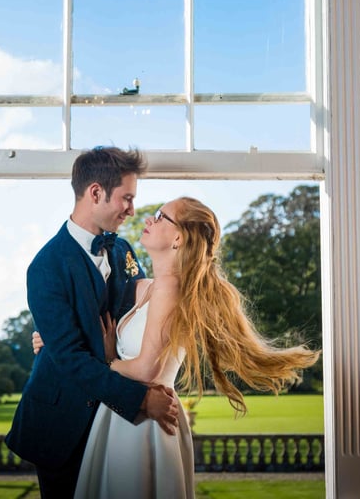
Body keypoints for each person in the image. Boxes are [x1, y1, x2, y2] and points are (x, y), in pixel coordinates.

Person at [36, 196, 321, 498]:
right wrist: (54, 337)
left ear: (178, 238)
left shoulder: (172, 289)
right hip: (124, 415)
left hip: (143, 425)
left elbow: (146, 368)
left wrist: (105, 360)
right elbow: (87, 318)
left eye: (160, 217)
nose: (147, 219)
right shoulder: (147, 287)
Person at [4, 147, 180, 498]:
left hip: (114, 428)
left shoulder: (123, 250)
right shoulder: (45, 267)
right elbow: (70, 359)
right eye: (127, 198)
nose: (132, 209)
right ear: (96, 192)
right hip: (61, 424)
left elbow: (141, 318)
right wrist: (141, 400)